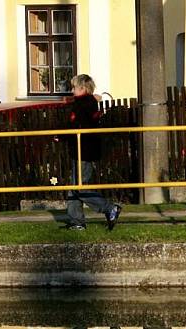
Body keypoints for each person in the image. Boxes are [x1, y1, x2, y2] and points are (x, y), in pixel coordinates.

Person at [64, 74, 122, 231]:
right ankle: (76, 221)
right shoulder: (83, 103)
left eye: (74, 87)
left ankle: (109, 208)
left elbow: (77, 125)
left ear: (83, 88)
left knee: (80, 187)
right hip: (79, 149)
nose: (72, 90)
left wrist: (63, 135)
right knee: (74, 187)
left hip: (84, 150)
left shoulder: (85, 104)